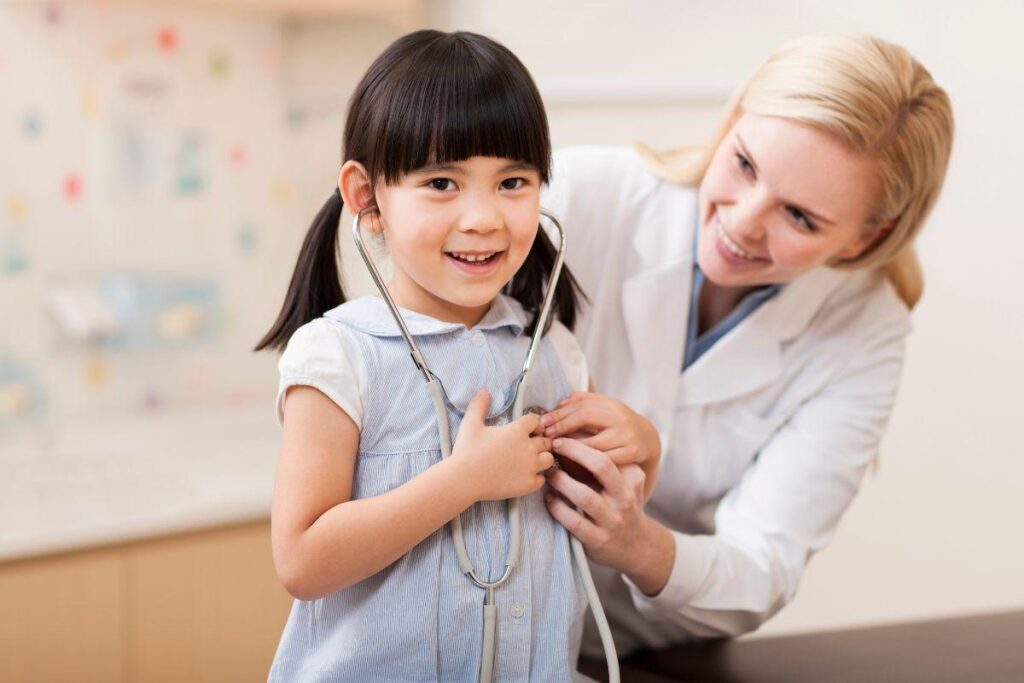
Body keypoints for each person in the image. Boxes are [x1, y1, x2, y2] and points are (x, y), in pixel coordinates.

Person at [254, 30, 657, 681]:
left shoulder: (551, 350)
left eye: (513, 182)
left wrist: (643, 447)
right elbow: (302, 561)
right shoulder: (338, 357)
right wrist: (463, 480)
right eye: (443, 182)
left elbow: (601, 510)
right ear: (367, 197)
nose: (483, 217)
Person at [536, 33, 954, 657]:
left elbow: (764, 564)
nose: (743, 221)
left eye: (802, 218)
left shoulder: (865, 331)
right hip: (489, 619)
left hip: (652, 649)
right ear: (734, 118)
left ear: (867, 239)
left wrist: (634, 544)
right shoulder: (577, 198)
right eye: (745, 165)